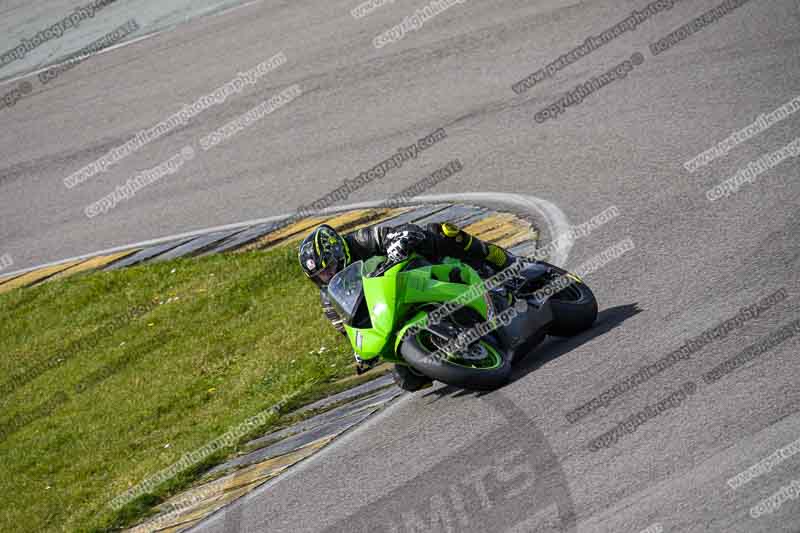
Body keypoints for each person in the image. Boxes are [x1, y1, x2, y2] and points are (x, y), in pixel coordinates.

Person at [298, 220, 517, 374]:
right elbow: (349, 331)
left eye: (329, 268)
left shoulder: (359, 240)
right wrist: (362, 354)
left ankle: (504, 263)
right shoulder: (330, 298)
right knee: (408, 379)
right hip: (388, 307)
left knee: (443, 233)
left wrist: (397, 242)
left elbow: (398, 231)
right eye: (320, 276)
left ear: (339, 252)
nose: (327, 276)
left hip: (416, 268)